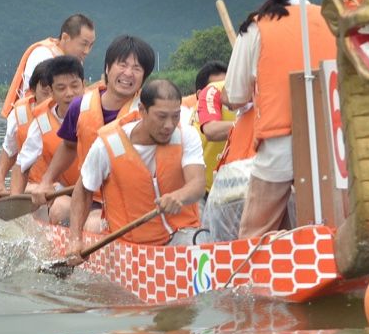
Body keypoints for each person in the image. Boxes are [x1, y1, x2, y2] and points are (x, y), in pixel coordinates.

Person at [224, 0, 336, 239]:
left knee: (254, 234)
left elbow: (235, 97)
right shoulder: (334, 21)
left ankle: (257, 276)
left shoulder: (255, 27)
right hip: (334, 145)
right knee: (335, 221)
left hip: (279, 148)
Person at [60, 79, 206, 265]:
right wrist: (75, 239)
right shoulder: (107, 145)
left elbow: (197, 184)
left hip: (183, 235)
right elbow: (84, 189)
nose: (169, 125)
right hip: (131, 246)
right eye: (161, 117)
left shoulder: (186, 135)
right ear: (142, 111)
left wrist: (179, 196)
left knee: (196, 244)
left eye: (175, 116)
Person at [34, 35, 155, 224]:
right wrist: (47, 180)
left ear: (144, 77)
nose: (128, 73)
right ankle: (71, 246)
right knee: (58, 209)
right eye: (122, 65)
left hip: (133, 202)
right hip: (89, 195)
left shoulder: (148, 112)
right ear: (107, 68)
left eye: (137, 68)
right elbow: (68, 146)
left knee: (93, 224)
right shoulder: (80, 106)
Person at [9, 56, 86, 221]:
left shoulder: (96, 112)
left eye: (74, 86)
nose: (69, 94)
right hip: (67, 190)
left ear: (83, 85)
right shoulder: (42, 121)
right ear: (51, 92)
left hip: (97, 193)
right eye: (61, 88)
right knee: (55, 208)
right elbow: (22, 165)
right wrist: (14, 208)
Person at [0, 14, 95, 117]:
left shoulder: (74, 61)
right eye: (83, 44)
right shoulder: (43, 55)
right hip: (35, 120)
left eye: (91, 45)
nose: (87, 51)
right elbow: (40, 98)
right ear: (65, 37)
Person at [0, 58, 54, 198]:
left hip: (59, 187)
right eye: (45, 93)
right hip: (30, 185)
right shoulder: (20, 112)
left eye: (55, 92)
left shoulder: (68, 113)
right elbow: (9, 149)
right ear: (33, 90)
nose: (50, 100)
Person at [192, 60, 231, 193]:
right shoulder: (190, 117)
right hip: (203, 191)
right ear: (199, 95)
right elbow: (212, 131)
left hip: (234, 187)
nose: (224, 92)